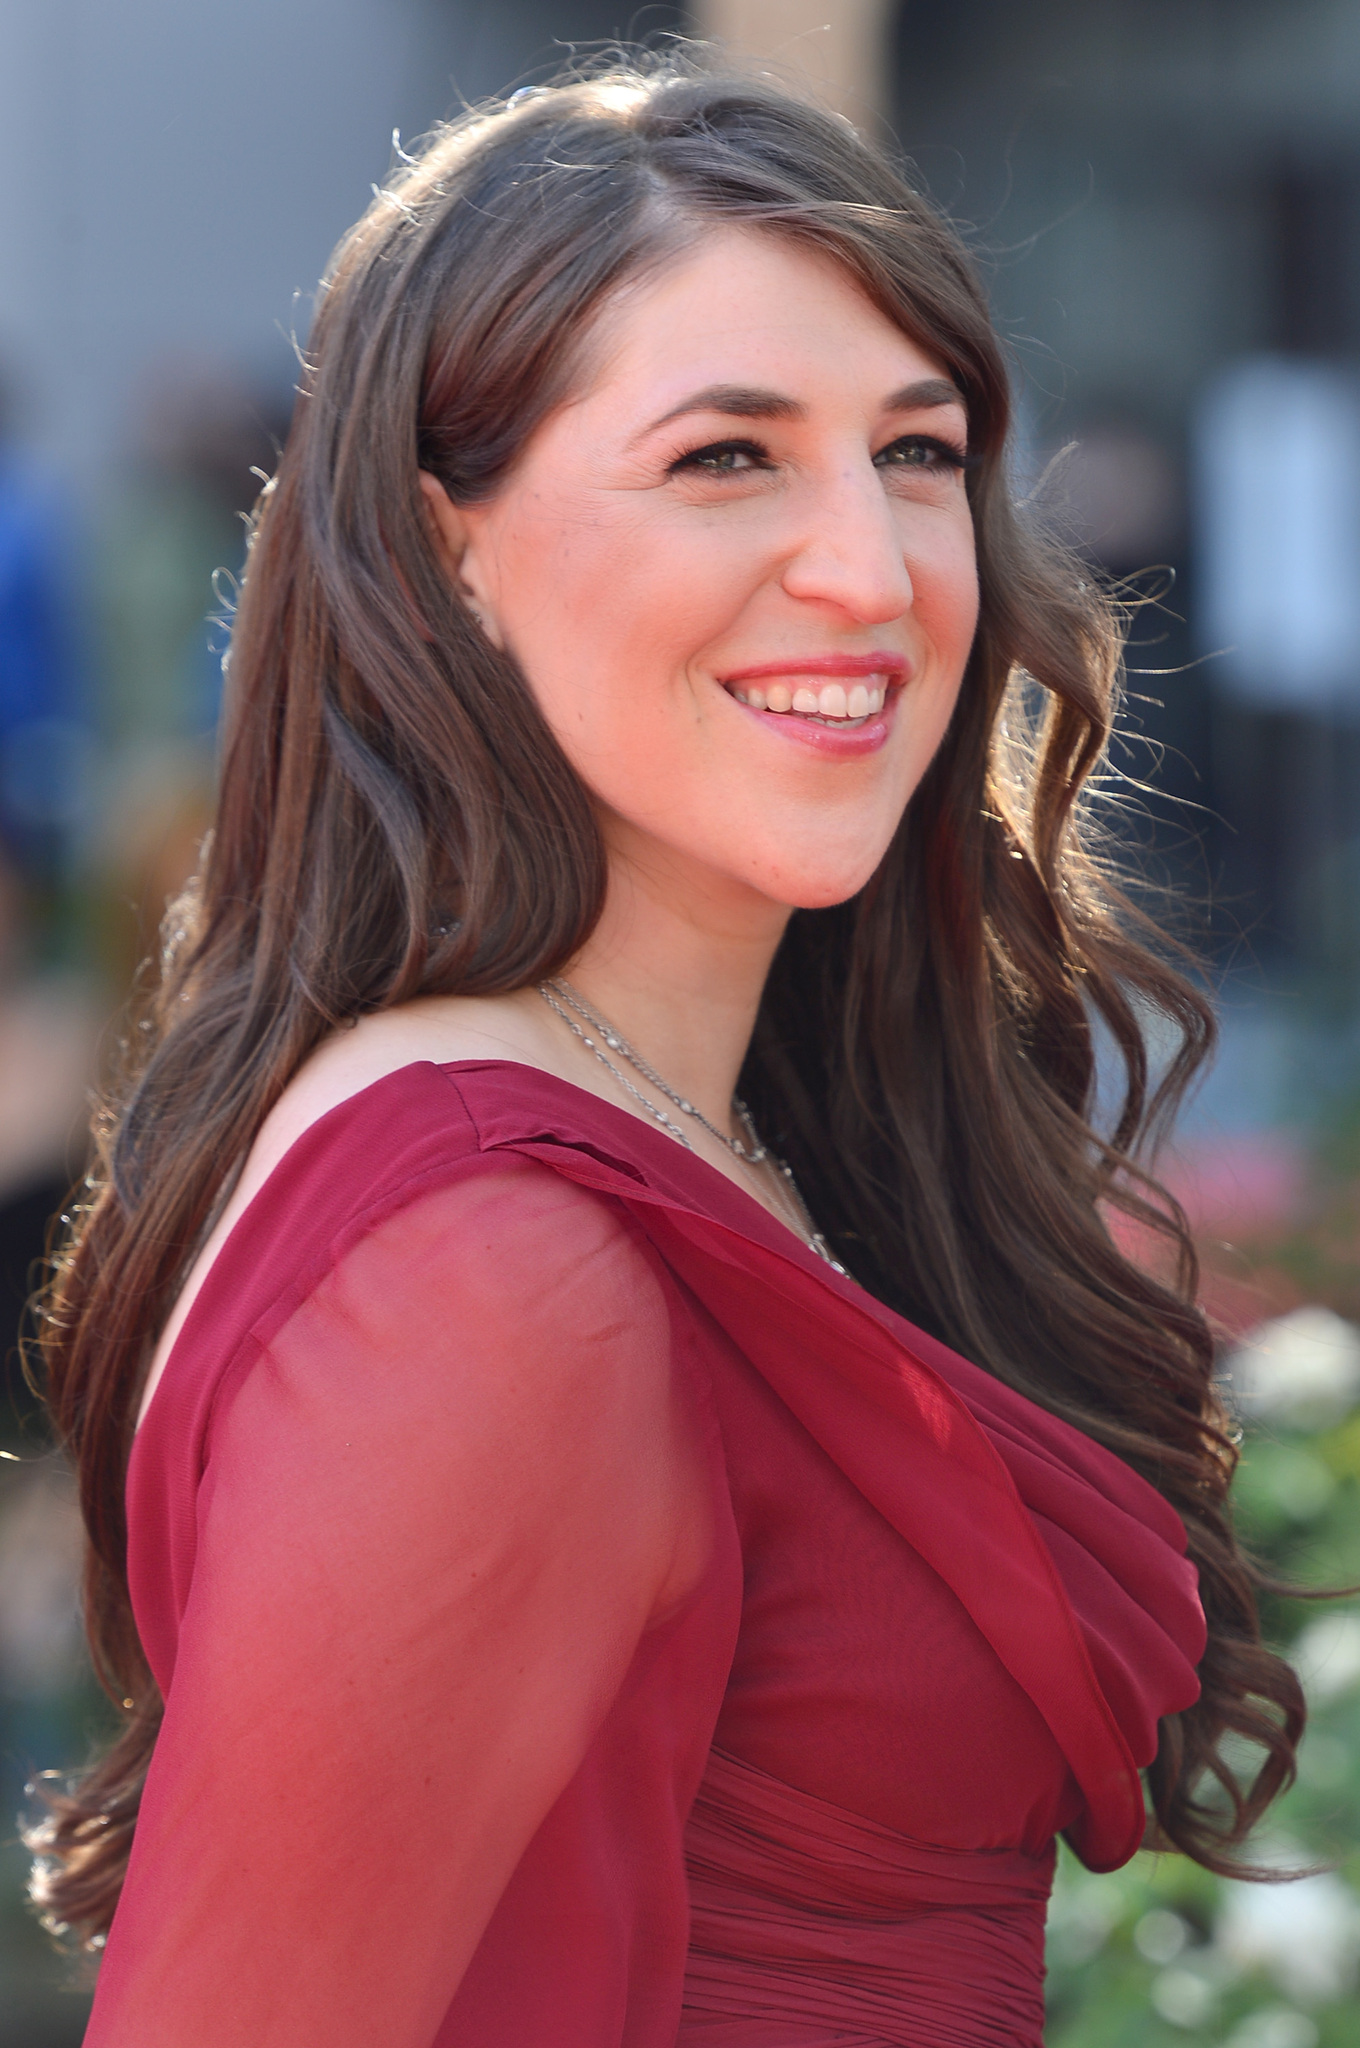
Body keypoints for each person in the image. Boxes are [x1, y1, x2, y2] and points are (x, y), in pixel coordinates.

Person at [31, 56, 1303, 2048]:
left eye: (916, 452)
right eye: (726, 457)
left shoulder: (701, 1127)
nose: (873, 573)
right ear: (447, 548)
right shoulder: (491, 1269)